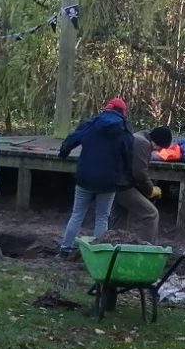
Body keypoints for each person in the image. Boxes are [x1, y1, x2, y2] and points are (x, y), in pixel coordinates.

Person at [57, 98, 156, 252]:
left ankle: (65, 249)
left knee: (77, 215)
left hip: (85, 177)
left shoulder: (91, 123)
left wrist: (63, 154)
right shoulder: (124, 130)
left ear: (107, 108)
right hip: (110, 181)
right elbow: (128, 155)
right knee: (102, 217)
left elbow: (72, 139)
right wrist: (126, 179)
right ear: (123, 112)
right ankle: (99, 251)